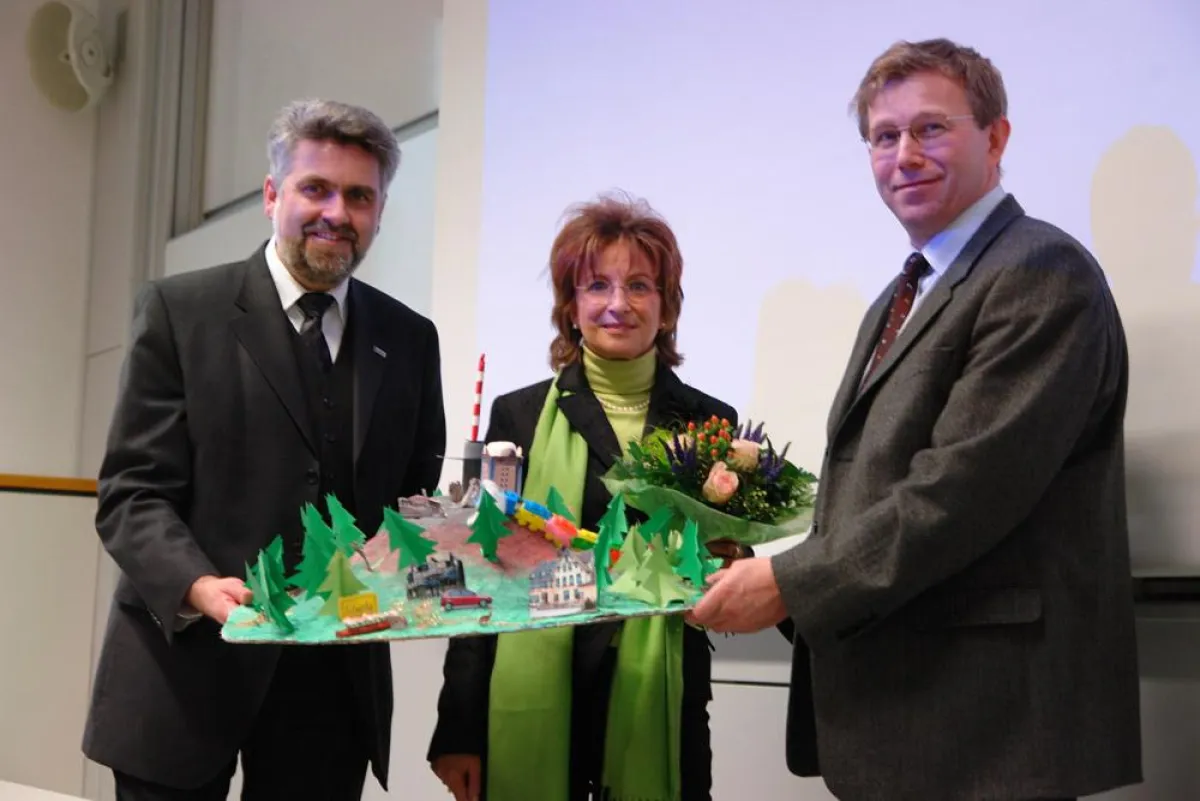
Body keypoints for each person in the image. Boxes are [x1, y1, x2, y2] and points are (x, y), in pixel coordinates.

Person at [689, 38, 1142, 801]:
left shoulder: (1040, 273)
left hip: (985, 732)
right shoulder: (904, 293)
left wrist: (790, 583)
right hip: (911, 716)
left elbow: (959, 493)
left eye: (931, 129)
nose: (905, 154)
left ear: (996, 137)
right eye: (883, 136)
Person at [81, 98, 447, 800]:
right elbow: (133, 492)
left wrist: (418, 549)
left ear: (379, 210)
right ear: (272, 194)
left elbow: (413, 498)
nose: (337, 211)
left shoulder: (410, 339)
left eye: (359, 195)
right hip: (183, 666)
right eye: (316, 188)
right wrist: (197, 586)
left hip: (331, 688)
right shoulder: (178, 311)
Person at [429, 192, 738, 801]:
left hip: (661, 693)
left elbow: (717, 563)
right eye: (597, 286)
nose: (618, 305)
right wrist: (459, 725)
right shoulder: (517, 414)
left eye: (641, 286)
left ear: (667, 307)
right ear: (571, 307)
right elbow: (483, 573)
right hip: (540, 686)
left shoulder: (710, 423)